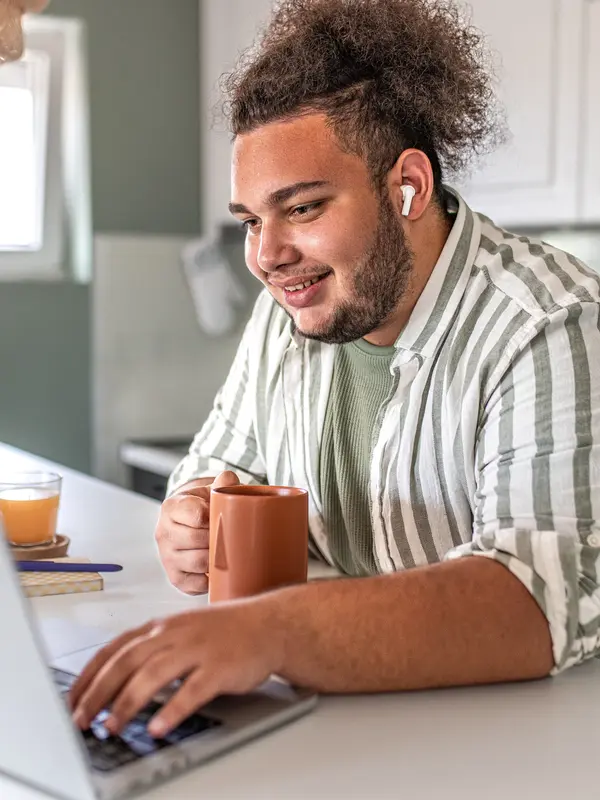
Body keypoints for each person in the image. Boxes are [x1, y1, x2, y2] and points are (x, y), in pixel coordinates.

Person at [70, 0, 600, 739]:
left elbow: (532, 600)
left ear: (407, 186)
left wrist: (272, 632)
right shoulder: (293, 308)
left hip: (512, 740)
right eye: (253, 220)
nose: (264, 255)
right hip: (340, 725)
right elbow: (219, 462)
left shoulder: (547, 319)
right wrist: (189, 515)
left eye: (304, 207)